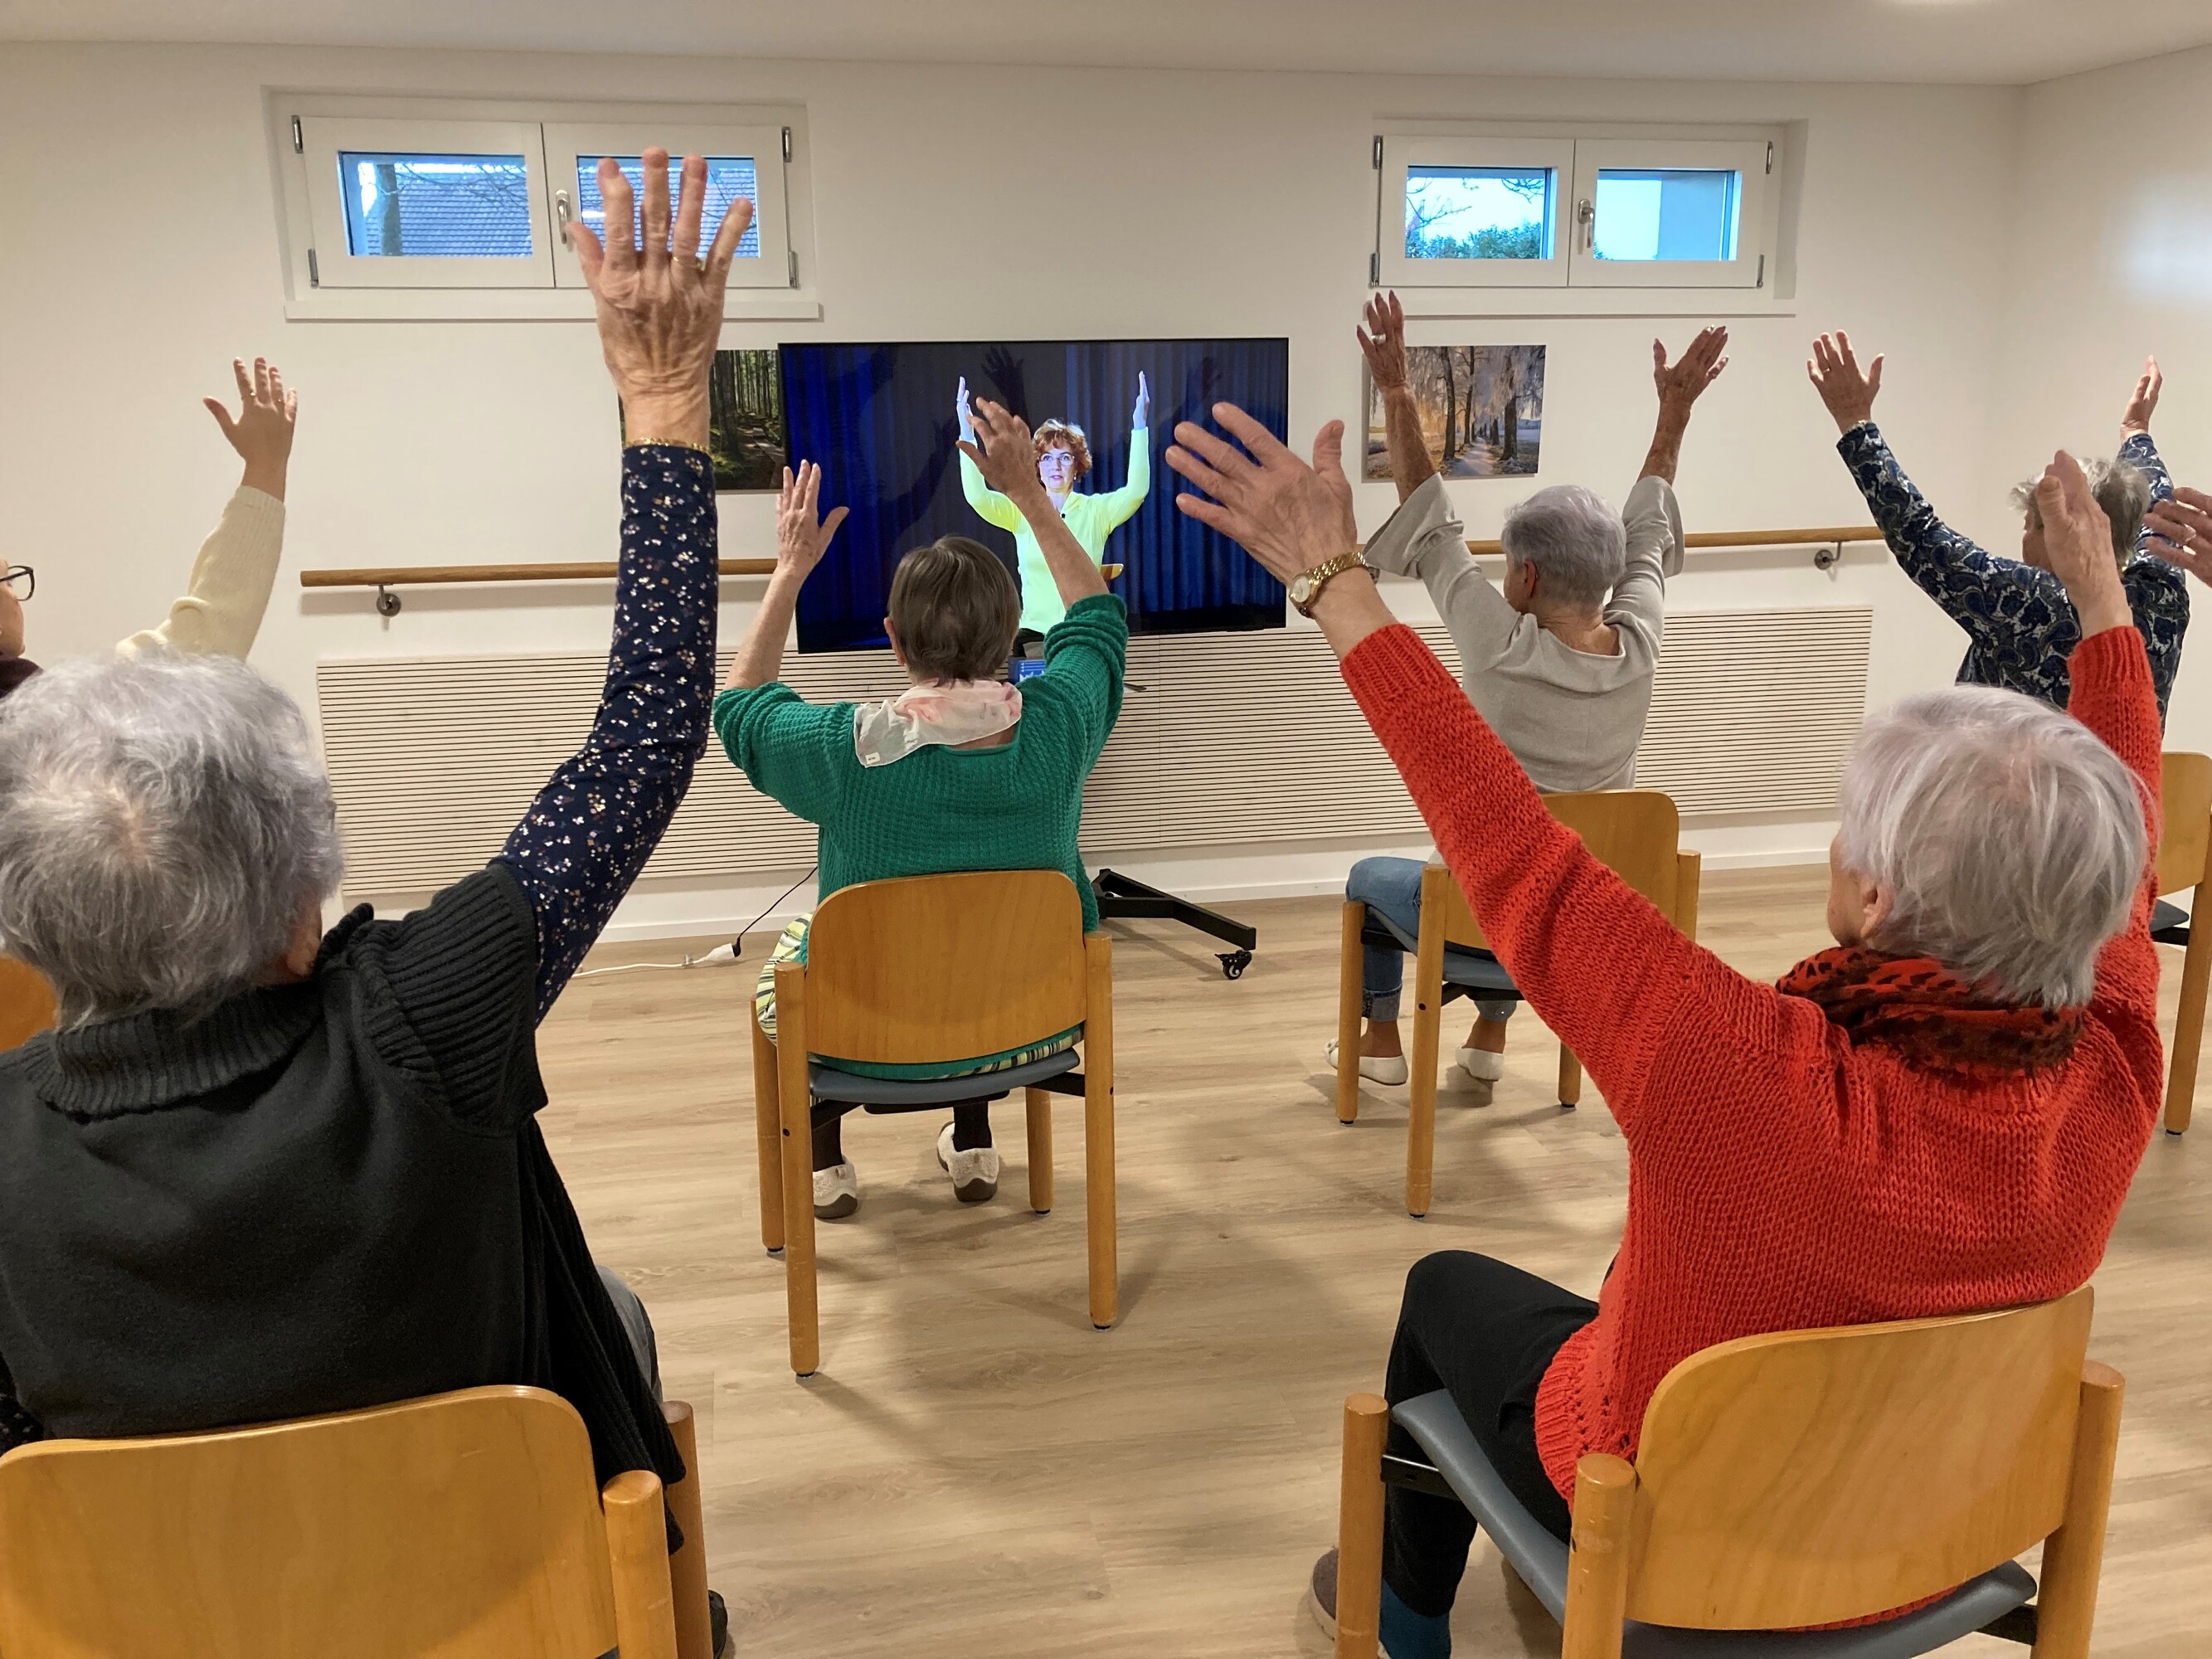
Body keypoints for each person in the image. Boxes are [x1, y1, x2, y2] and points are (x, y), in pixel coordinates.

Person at [1164, 406, 2164, 1657]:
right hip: (1937, 1530)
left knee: (1438, 1290)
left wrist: (1332, 580)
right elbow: (2129, 824)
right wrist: (2102, 605)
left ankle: (1402, 1616)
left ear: (1875, 899)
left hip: (1680, 1528)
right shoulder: (2114, 1065)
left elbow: (1516, 854)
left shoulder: (1741, 1071)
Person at [0, 151, 746, 1651]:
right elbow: (646, 739)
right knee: (618, 1320)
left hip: (177, 1628)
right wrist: (665, 407)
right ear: (302, 898)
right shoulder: (425, 1016)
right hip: (510, 1610)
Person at [718, 399, 1125, 1220]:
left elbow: (740, 707)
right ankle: (972, 1141)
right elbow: (1097, 622)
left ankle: (825, 1163)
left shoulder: (842, 748)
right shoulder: (1062, 726)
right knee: (974, 937)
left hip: (861, 1035)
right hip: (1034, 1026)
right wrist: (1029, 496)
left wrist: (790, 569)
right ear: (1012, 632)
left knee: (801, 951)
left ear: (895, 640)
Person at [1332, 292, 1728, 1097]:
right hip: (1584, 919)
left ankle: (1379, 1041)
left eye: (1508, 564)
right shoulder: (1640, 645)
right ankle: (1487, 1036)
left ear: (1527, 575)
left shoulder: (1499, 643)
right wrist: (1673, 414)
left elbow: (1428, 519)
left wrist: (1397, 390)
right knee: (1552, 851)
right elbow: (1648, 533)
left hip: (1482, 913)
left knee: (1373, 878)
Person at [1810, 333, 2187, 719]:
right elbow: (2161, 509)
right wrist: (2136, 432)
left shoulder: (2026, 601)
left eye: (2031, 525)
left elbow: (1918, 533)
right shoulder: (2162, 596)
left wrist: (1855, 422)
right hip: (2122, 763)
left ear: (2059, 532)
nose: (2024, 538)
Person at [0, 356, 299, 698]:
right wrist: (266, 466)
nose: (16, 599)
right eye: (8, 580)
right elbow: (194, 654)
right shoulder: (42, 710)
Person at [956, 369, 1150, 644]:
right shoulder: (1021, 510)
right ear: (1037, 465)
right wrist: (967, 434)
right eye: (1047, 458)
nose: (1055, 466)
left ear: (1077, 465)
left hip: (1082, 634)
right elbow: (978, 497)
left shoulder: (1096, 511)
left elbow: (1136, 491)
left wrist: (1140, 427)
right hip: (1034, 636)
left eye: (1065, 457)